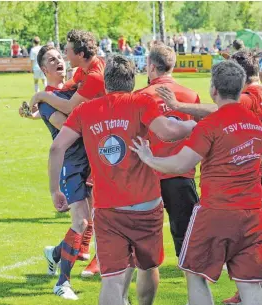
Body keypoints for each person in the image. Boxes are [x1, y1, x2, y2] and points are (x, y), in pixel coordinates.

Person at [48, 54, 197, 305]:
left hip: (107, 208)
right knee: (147, 267)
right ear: (133, 79)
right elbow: (168, 132)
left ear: (106, 82)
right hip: (145, 205)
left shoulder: (85, 110)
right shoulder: (142, 101)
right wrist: (194, 125)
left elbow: (56, 148)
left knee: (112, 279)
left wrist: (55, 190)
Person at [131, 60, 262, 305]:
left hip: (216, 211)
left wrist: (148, 158)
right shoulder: (255, 123)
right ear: (241, 87)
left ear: (213, 90)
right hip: (253, 213)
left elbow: (180, 165)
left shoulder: (210, 125)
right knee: (250, 282)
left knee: (194, 272)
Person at [20, 45, 94, 300]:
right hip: (72, 163)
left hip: (93, 159)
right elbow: (69, 124)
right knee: (81, 222)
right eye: (51, 59)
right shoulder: (46, 100)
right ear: (43, 69)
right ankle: (62, 283)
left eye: (60, 57)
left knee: (95, 220)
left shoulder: (73, 87)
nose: (59, 61)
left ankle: (54, 254)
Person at [135, 44, 200, 262]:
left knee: (141, 235)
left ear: (151, 67)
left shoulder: (140, 96)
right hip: (181, 173)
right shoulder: (190, 96)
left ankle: (134, 280)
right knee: (187, 236)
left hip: (148, 175)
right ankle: (194, 285)